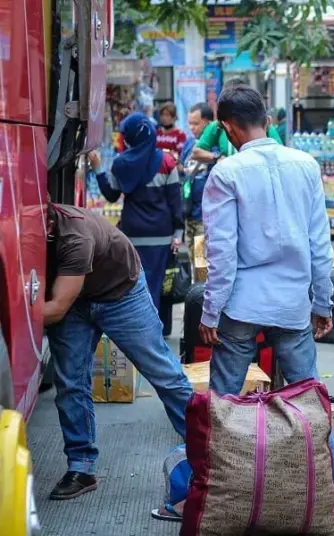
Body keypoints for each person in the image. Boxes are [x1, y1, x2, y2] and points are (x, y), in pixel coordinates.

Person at [198, 85, 334, 523]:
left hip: (240, 306)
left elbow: (221, 254)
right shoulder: (305, 165)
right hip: (294, 306)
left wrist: (209, 312)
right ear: (266, 118)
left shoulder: (226, 173)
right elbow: (320, 245)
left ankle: (206, 497)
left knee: (221, 406)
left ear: (227, 127)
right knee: (310, 406)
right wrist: (323, 303)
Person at [44, 202, 192, 500]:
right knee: (71, 383)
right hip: (76, 301)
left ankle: (209, 453)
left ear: (47, 225)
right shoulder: (25, 236)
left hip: (120, 294)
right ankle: (82, 468)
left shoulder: (75, 237)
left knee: (163, 373)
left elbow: (56, 309)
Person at [91, 112, 183, 318]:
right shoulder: (167, 162)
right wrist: (178, 232)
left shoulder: (120, 164)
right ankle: (158, 332)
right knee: (158, 284)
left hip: (132, 234)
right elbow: (175, 201)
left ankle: (139, 333)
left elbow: (111, 195)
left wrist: (98, 169)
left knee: (136, 286)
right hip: (162, 234)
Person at [182, 102, 214, 268]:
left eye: (196, 123)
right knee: (192, 261)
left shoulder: (214, 148)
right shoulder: (188, 145)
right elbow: (183, 171)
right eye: (190, 123)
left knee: (202, 264)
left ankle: (201, 293)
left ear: (208, 123)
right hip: (189, 214)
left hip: (204, 216)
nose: (192, 128)